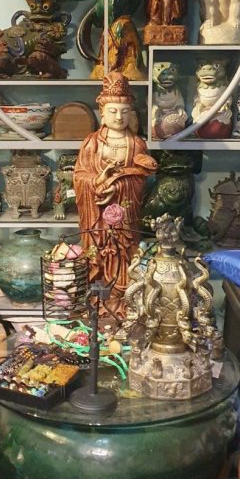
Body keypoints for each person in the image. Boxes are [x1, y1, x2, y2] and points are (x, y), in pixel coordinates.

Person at [74, 72, 157, 318]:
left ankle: (123, 301)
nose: (119, 117)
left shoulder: (137, 143)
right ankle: (98, 302)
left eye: (124, 111)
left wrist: (118, 186)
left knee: (124, 255)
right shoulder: (92, 142)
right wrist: (99, 181)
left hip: (125, 213)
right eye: (113, 111)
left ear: (131, 113)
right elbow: (80, 176)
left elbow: (141, 179)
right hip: (97, 213)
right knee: (98, 255)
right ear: (102, 112)